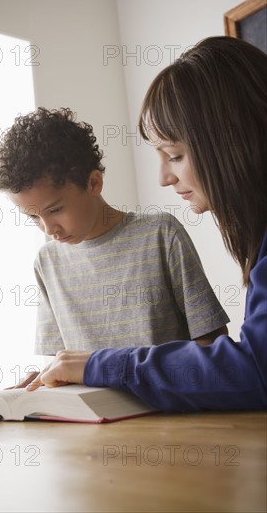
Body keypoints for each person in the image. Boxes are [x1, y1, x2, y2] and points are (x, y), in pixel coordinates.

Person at [25, 36, 267, 411]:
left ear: (233, 139)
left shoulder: (160, 234)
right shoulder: (47, 262)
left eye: (175, 155)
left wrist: (101, 365)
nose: (163, 178)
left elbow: (252, 370)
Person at [0, 107, 228, 365]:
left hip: (165, 402)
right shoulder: (47, 262)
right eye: (33, 217)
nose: (49, 230)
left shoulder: (161, 235)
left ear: (94, 183)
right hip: (88, 406)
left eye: (55, 210)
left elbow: (212, 343)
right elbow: (59, 362)